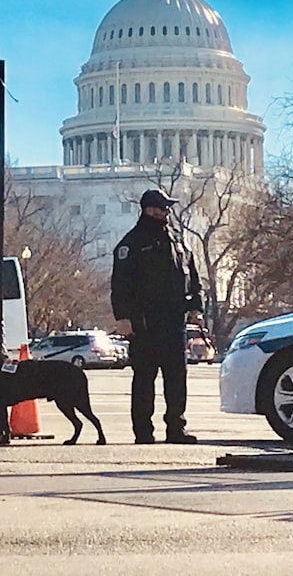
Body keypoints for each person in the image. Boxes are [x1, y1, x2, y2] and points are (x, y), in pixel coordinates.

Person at [111, 188, 203, 444]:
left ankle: (176, 428)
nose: (168, 212)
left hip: (174, 322)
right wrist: (124, 318)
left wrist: (196, 307)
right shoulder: (132, 244)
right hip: (145, 323)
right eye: (164, 207)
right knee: (144, 379)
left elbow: (193, 277)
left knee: (176, 378)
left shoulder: (177, 241)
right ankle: (143, 431)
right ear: (150, 210)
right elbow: (120, 285)